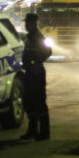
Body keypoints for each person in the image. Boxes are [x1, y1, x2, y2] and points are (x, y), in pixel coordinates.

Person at [20, 13, 52, 141]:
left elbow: (48, 52)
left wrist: (34, 63)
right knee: (29, 102)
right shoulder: (30, 37)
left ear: (34, 24)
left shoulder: (39, 37)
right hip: (29, 72)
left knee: (39, 102)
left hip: (36, 72)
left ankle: (44, 133)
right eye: (26, 23)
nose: (26, 25)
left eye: (29, 23)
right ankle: (32, 130)